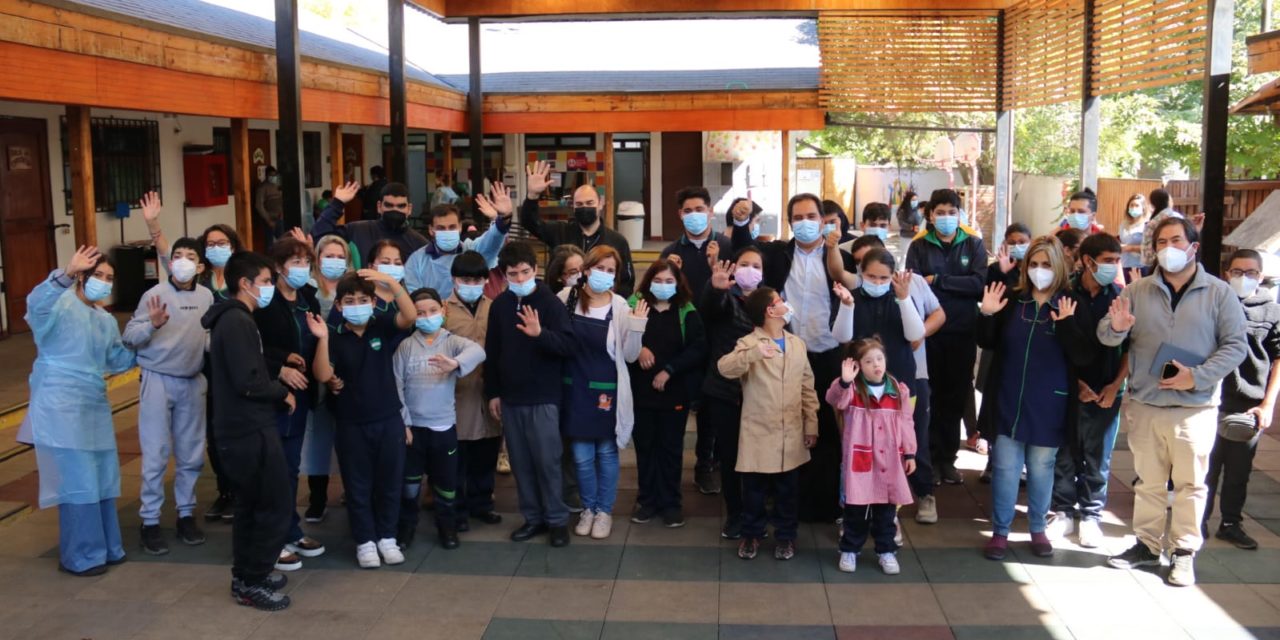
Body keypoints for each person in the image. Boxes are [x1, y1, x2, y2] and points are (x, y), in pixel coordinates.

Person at [1100, 217, 1248, 586]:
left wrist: (1196, 376)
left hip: (1194, 408)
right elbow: (1106, 335)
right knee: (1148, 483)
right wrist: (1117, 328)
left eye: (1176, 240)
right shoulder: (1137, 290)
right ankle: (1148, 547)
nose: (1168, 248)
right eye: (1161, 241)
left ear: (1193, 247)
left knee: (1190, 485)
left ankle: (1184, 552)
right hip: (1147, 405)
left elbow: (1235, 346)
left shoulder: (1219, 293)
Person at [729, 193, 856, 522]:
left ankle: (825, 504)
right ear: (789, 223)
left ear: (822, 218)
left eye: (810, 215)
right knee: (785, 428)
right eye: (797, 217)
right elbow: (745, 249)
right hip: (786, 354)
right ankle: (785, 504)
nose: (804, 223)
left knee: (826, 430)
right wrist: (741, 221)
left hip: (829, 354)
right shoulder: (778, 254)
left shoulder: (837, 256)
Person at [977, 237, 1092, 561]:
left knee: (1042, 468)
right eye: (1034, 264)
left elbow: (1084, 356)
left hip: (1050, 403)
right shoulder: (1014, 301)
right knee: (1005, 468)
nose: (1040, 271)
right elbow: (987, 341)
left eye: (1046, 264)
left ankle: (1038, 529)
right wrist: (986, 314)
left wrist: (1067, 325)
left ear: (1058, 267)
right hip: (1008, 398)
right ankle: (1000, 532)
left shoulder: (1070, 304)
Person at [26, 246, 137, 577]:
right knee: (78, 480)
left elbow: (117, 360)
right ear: (81, 277)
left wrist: (149, 334)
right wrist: (65, 274)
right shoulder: (58, 304)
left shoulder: (103, 319)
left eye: (109, 278)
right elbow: (35, 305)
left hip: (93, 406)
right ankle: (80, 555)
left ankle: (106, 547)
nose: (103, 283)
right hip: (60, 404)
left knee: (103, 477)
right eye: (96, 276)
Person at [202, 251, 295, 610]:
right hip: (248, 429)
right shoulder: (237, 322)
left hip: (242, 427)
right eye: (267, 281)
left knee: (251, 506)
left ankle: (247, 573)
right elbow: (248, 381)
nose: (271, 287)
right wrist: (281, 390)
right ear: (246, 284)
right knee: (273, 504)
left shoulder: (235, 319)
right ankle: (252, 580)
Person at [307, 269, 416, 569]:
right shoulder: (334, 334)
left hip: (388, 418)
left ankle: (387, 538)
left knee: (390, 482)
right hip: (350, 423)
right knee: (357, 485)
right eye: (350, 300)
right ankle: (365, 541)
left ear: (372, 302)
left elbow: (409, 316)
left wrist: (391, 284)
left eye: (363, 299)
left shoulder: (381, 324)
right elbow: (323, 374)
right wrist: (323, 339)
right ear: (339, 305)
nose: (357, 305)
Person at [837, 235, 946, 525]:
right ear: (861, 273)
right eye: (870, 276)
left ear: (893, 275)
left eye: (883, 277)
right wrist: (847, 306)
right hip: (860, 387)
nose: (876, 281)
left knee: (907, 442)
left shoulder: (902, 296)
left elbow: (914, 334)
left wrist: (903, 298)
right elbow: (842, 337)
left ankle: (907, 504)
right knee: (861, 448)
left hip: (898, 384)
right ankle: (860, 512)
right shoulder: (853, 298)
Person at [122, 232, 214, 555]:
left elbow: (205, 336)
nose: (183, 262)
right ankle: (149, 521)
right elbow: (130, 335)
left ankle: (186, 515)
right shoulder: (154, 295)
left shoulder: (206, 297)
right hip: (157, 379)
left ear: (200, 265)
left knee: (190, 454)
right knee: (156, 453)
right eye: (178, 256)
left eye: (190, 256)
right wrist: (153, 324)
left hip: (192, 380)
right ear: (170, 262)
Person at [485, 242, 577, 546]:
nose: (521, 278)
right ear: (505, 275)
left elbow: (567, 346)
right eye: (514, 273)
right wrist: (493, 393)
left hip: (544, 398)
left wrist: (541, 335)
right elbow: (493, 351)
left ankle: (557, 520)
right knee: (521, 463)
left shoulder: (549, 303)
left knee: (547, 461)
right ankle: (533, 518)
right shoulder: (499, 306)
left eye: (526, 272)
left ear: (535, 270)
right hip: (511, 398)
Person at [719, 287, 819, 560]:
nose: (785, 304)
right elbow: (725, 368)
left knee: (788, 492)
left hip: (791, 431)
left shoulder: (797, 344)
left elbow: (807, 387)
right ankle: (751, 534)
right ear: (769, 310)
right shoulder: (750, 342)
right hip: (758, 433)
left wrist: (811, 424)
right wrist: (753, 354)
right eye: (779, 301)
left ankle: (786, 537)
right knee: (753, 491)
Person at [557, 246, 648, 540]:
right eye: (600, 268)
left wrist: (637, 327)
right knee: (581, 455)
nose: (604, 275)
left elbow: (632, 356)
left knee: (606, 453)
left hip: (606, 389)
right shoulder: (566, 298)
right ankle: (588, 509)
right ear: (586, 269)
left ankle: (604, 511)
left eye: (611, 271)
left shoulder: (621, 307)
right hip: (573, 388)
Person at [1048, 233, 1129, 548]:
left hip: (1107, 391)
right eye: (1108, 260)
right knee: (1066, 454)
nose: (1113, 266)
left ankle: (1092, 515)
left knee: (1098, 457)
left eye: (1116, 260)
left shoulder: (1121, 297)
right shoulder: (1064, 294)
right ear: (1087, 261)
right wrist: (1075, 384)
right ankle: (1063, 511)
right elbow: (1057, 346)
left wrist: (1115, 385)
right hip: (1069, 389)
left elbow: (1130, 350)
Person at [393, 287, 486, 550]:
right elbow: (396, 386)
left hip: (443, 427)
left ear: (443, 310)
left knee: (446, 484)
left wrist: (455, 364)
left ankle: (447, 527)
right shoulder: (406, 346)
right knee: (410, 484)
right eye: (420, 312)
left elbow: (478, 352)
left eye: (433, 311)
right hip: (413, 430)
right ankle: (407, 528)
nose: (427, 316)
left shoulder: (451, 341)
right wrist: (405, 422)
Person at [906, 189, 987, 487]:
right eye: (940, 212)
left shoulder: (974, 244)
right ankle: (927, 459)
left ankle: (948, 461)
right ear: (930, 215)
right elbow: (915, 285)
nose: (946, 218)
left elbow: (979, 284)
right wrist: (953, 286)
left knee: (954, 399)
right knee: (929, 398)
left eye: (952, 212)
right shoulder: (919, 246)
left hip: (963, 332)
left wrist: (939, 280)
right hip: (929, 333)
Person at [254, 237, 326, 571]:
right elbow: (251, 348)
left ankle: (290, 529)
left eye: (305, 262)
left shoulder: (308, 296)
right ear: (279, 266)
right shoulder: (265, 303)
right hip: (273, 393)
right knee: (273, 468)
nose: (301, 269)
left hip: (302, 394)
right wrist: (280, 366)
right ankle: (271, 538)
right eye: (295, 262)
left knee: (291, 466)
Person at [1203, 249, 1280, 550]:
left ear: (1261, 277)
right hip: (1211, 400)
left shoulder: (1272, 311)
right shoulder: (1213, 303)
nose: (1243, 278)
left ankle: (1231, 523)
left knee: (1239, 470)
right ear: (1226, 273)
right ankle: (1198, 520)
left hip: (1249, 404)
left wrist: (1268, 404)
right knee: (1206, 467)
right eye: (1237, 272)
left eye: (1250, 273)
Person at [659, 186, 729, 496]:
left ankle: (706, 465)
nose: (695, 216)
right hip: (684, 339)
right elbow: (657, 291)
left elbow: (740, 289)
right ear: (680, 215)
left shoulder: (726, 246)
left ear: (711, 211)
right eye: (688, 211)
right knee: (683, 399)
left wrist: (717, 266)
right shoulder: (672, 251)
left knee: (713, 406)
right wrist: (671, 270)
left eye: (700, 209)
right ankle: (668, 471)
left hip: (718, 336)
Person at [628, 258, 707, 528]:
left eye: (669, 281)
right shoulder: (634, 306)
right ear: (649, 281)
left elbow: (698, 348)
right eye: (658, 280)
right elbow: (620, 339)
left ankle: (671, 503)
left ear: (678, 283)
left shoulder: (686, 311)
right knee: (645, 447)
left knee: (671, 450)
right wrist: (639, 348)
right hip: (641, 393)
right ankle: (647, 500)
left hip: (675, 393)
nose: (663, 286)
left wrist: (670, 370)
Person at [827, 338, 917, 575]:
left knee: (886, 513)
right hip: (860, 462)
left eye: (879, 358)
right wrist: (845, 382)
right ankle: (849, 549)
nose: (876, 364)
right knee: (855, 511)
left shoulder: (898, 390)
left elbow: (907, 422)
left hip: (889, 462)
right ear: (857, 365)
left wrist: (910, 452)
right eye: (868, 361)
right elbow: (834, 400)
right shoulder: (852, 390)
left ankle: (885, 551)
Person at [700, 247, 766, 539]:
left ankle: (757, 514)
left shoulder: (770, 300)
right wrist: (715, 290)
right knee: (730, 456)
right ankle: (735, 514)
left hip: (761, 391)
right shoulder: (725, 294)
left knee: (759, 457)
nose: (750, 269)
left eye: (756, 265)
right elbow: (710, 312)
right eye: (744, 264)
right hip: (725, 390)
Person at [443, 251, 505, 531]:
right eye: (466, 279)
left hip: (488, 391)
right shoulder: (443, 311)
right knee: (458, 455)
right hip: (456, 393)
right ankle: (457, 509)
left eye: (478, 279)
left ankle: (483, 503)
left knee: (486, 452)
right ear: (455, 279)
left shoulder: (496, 307)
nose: (472, 284)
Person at [520, 161, 635, 295]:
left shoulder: (617, 241)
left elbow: (627, 282)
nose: (584, 207)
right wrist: (532, 196)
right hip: (561, 303)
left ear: (600, 204)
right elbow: (529, 222)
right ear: (573, 207)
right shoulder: (560, 231)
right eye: (579, 204)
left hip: (600, 306)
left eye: (589, 203)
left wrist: (612, 303)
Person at [973, 222, 1034, 468]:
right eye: (1013, 242)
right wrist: (1001, 271)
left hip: (1022, 346)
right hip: (997, 343)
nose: (1017, 246)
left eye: (1023, 241)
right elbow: (990, 296)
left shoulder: (1035, 269)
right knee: (993, 397)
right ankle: (992, 455)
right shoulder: (996, 269)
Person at [302, 234, 353, 522]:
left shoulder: (352, 289)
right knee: (318, 438)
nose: (333, 261)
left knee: (348, 435)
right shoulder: (308, 290)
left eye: (339, 256)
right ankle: (317, 497)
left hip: (347, 372)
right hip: (314, 372)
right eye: (328, 255)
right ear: (317, 258)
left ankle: (350, 488)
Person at [196, 224, 244, 520]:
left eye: (222, 242)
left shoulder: (241, 278)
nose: (216, 247)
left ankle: (241, 491)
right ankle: (224, 491)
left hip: (236, 363)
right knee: (214, 434)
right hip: (206, 366)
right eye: (211, 243)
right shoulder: (199, 280)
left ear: (234, 245)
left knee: (238, 430)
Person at [403, 184, 511, 299]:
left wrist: (503, 219)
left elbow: (492, 241)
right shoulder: (417, 260)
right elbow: (415, 296)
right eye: (441, 228)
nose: (447, 231)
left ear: (460, 227)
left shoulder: (472, 251)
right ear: (431, 229)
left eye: (452, 227)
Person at [544, 243, 589, 512]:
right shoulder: (555, 300)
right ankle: (565, 490)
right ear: (561, 276)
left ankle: (582, 489)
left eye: (583, 269)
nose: (579, 276)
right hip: (560, 376)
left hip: (586, 375)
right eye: (573, 271)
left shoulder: (597, 297)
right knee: (561, 439)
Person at [314, 179, 428, 267]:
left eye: (400, 206)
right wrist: (337, 204)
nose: (395, 210)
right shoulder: (357, 230)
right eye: (389, 205)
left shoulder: (419, 244)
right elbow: (320, 238)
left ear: (409, 209)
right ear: (379, 207)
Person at [1119, 194, 1150, 277]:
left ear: (1143, 208)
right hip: (1124, 264)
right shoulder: (1124, 224)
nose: (1133, 208)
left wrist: (1130, 248)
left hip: (1140, 266)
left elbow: (1151, 248)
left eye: (1137, 205)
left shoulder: (1147, 225)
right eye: (1131, 205)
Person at [254, 166, 283, 246]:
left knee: (283, 242)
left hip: (279, 218)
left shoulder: (277, 186)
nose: (273, 177)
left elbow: (281, 201)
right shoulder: (262, 188)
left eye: (275, 175)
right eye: (271, 175)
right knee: (269, 244)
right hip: (269, 220)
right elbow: (259, 206)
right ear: (267, 176)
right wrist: (268, 219)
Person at [896, 192, 923, 256]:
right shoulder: (903, 211)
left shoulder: (917, 210)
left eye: (916, 200)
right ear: (908, 201)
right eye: (913, 200)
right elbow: (901, 223)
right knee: (905, 256)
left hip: (917, 237)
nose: (915, 202)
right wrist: (912, 227)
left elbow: (920, 221)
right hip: (906, 236)